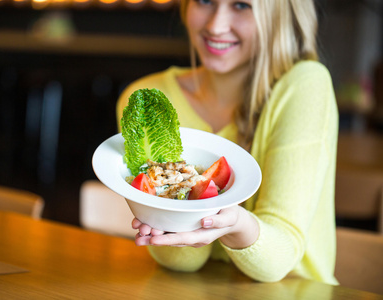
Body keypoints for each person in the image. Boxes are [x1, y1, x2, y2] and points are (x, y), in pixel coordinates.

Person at [116, 0, 338, 285]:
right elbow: (185, 263)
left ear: (279, 15)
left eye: (242, 5)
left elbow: (277, 261)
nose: (216, 25)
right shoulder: (149, 102)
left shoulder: (305, 85)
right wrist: (170, 225)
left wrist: (235, 224)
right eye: (205, 1)